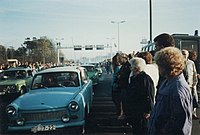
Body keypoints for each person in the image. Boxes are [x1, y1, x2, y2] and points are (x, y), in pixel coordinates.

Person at [148, 47, 193, 135]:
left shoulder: (178, 89)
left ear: (167, 67)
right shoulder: (167, 82)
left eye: (159, 65)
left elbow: (181, 125)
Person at [126, 57, 155, 134]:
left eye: (131, 66)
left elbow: (149, 95)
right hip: (135, 110)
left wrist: (148, 111)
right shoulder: (134, 78)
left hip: (142, 112)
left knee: (142, 131)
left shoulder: (145, 79)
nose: (130, 68)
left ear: (136, 67)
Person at [182, 49, 199, 119]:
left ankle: (193, 113)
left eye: (185, 54)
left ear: (188, 55)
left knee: (194, 99)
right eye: (182, 54)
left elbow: (194, 73)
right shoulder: (179, 63)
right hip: (183, 85)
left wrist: (195, 83)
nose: (183, 56)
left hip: (191, 84)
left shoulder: (191, 63)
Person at [118, 53, 131, 119]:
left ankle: (126, 116)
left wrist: (120, 76)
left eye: (120, 59)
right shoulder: (123, 66)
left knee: (126, 103)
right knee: (123, 102)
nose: (119, 60)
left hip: (126, 87)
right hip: (122, 86)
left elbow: (126, 76)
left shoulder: (128, 66)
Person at [111, 53, 123, 119]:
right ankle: (119, 113)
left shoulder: (118, 68)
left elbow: (117, 77)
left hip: (116, 87)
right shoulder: (118, 67)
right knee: (117, 101)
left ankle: (119, 114)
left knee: (117, 101)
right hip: (115, 86)